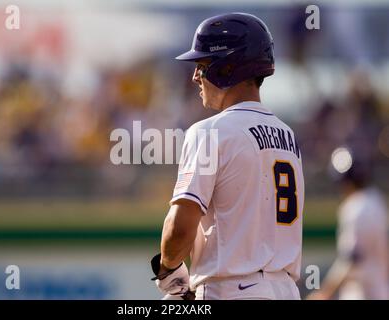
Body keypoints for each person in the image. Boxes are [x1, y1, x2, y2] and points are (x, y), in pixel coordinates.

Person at [150, 12, 305, 300]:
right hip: (286, 290)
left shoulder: (209, 131)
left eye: (203, 64)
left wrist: (168, 270)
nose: (196, 76)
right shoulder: (288, 136)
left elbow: (180, 227)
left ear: (228, 67)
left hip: (232, 290)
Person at [307, 147, 388, 300]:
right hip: (381, 289)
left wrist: (324, 292)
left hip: (362, 293)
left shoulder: (354, 208)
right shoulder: (377, 201)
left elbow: (352, 259)